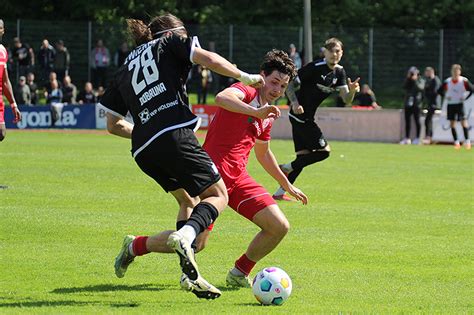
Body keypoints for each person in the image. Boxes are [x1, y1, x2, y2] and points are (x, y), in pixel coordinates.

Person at [98, 13, 264, 299]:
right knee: (218, 195)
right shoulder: (170, 42)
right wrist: (243, 76)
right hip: (174, 135)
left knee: (189, 202)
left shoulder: (124, 67)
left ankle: (141, 249)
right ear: (172, 32)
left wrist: (146, 131)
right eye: (184, 33)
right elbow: (208, 59)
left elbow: (112, 126)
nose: (187, 39)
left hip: (142, 150)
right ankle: (185, 237)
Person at [202, 49, 308, 287]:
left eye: (282, 86)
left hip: (238, 179)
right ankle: (137, 246)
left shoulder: (268, 113)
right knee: (196, 244)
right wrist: (255, 112)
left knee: (278, 226)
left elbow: (264, 153)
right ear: (262, 76)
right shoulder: (246, 91)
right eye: (273, 82)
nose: (277, 90)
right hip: (212, 176)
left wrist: (286, 184)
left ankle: (239, 273)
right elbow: (221, 98)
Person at [273, 38, 360, 201]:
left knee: (303, 157)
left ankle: (279, 193)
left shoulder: (340, 72)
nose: (335, 54)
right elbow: (290, 83)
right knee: (324, 152)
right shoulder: (315, 67)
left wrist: (353, 90)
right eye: (331, 51)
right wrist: (294, 102)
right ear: (325, 52)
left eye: (338, 51)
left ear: (342, 53)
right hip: (300, 116)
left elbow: (347, 100)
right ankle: (285, 167)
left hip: (305, 117)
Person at [438, 64, 473, 150]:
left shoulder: (463, 81)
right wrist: (446, 96)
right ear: (452, 72)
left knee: (463, 122)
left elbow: (472, 90)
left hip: (459, 104)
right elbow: (439, 91)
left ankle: (467, 141)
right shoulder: (448, 81)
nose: (455, 73)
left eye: (457, 72)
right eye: (454, 71)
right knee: (452, 123)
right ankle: (456, 142)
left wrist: (465, 97)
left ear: (459, 72)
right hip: (451, 104)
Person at [0, 19, 22, 141]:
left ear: (3, 31)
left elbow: (5, 80)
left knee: (1, 133)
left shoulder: (3, 50)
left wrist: (13, 105)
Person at [400, 66, 424, 145]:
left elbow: (420, 88)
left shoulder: (420, 80)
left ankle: (418, 138)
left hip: (417, 103)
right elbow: (404, 87)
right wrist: (408, 79)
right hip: (408, 103)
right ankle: (407, 138)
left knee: (417, 121)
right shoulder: (408, 80)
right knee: (407, 121)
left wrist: (415, 80)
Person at [423, 67, 441, 144]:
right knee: (428, 120)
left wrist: (427, 90)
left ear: (430, 72)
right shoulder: (430, 81)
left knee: (428, 120)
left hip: (434, 104)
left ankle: (429, 136)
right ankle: (429, 136)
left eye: (427, 72)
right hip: (431, 103)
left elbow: (435, 92)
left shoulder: (435, 80)